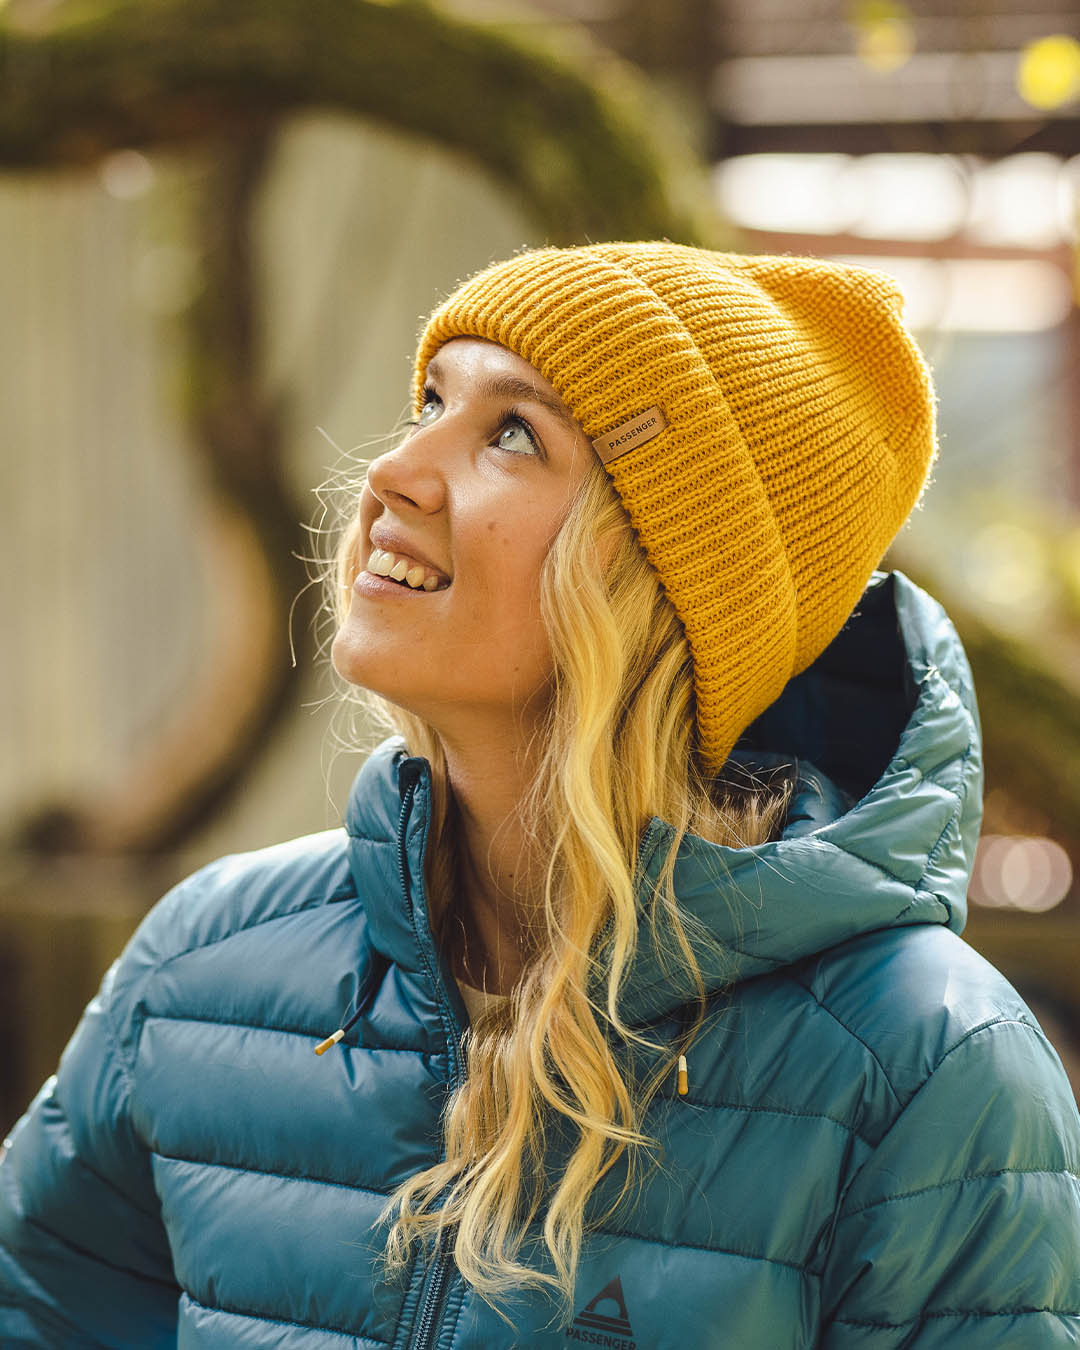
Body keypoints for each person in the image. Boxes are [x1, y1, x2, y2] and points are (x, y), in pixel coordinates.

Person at [2, 241, 1078, 1348]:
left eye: (512, 434)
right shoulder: (203, 971)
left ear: (666, 587)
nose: (394, 472)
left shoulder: (923, 1073)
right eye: (429, 400)